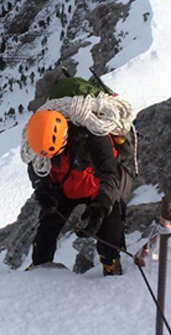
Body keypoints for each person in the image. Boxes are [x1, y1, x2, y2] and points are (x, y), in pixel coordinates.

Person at [25, 109, 133, 276]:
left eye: (55, 152)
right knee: (47, 228)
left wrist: (101, 206)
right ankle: (40, 265)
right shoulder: (38, 142)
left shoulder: (94, 136)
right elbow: (36, 167)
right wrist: (42, 189)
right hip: (65, 187)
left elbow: (110, 175)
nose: (50, 158)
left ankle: (111, 262)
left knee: (110, 228)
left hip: (96, 188)